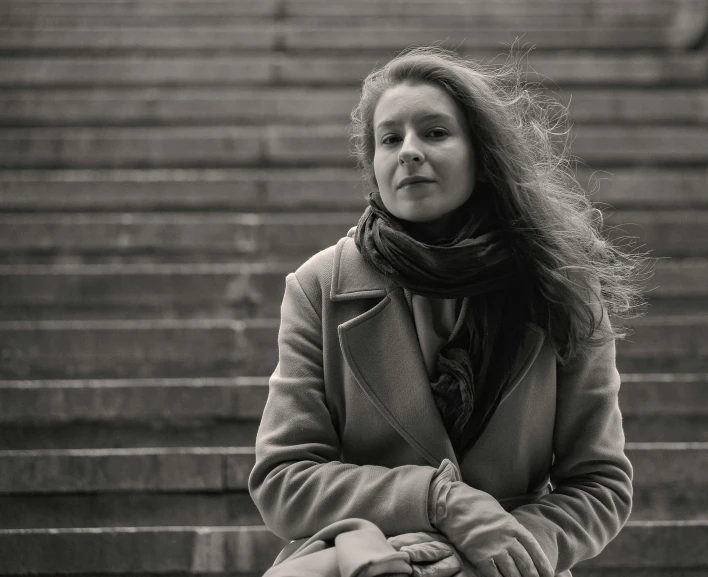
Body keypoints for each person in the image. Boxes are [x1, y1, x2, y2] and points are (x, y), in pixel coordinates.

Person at [248, 46, 646, 577]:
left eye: (435, 133)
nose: (409, 151)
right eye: (390, 139)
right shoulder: (319, 286)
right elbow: (282, 478)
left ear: (483, 157)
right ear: (374, 167)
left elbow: (600, 485)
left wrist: (497, 546)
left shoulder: (560, 284)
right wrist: (440, 501)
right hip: (363, 563)